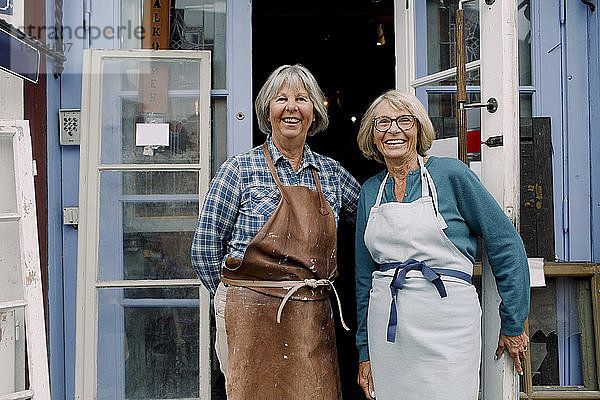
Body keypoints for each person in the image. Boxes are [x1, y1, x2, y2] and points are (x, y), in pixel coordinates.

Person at [191, 64, 360, 399]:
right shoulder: (238, 170)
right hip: (249, 315)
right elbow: (205, 250)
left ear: (315, 112)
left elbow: (373, 219)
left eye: (302, 98)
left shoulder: (332, 173)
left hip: (311, 314)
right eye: (281, 98)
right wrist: (236, 295)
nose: (292, 107)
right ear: (268, 111)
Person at [354, 90, 530, 400]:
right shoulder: (371, 190)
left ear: (419, 129)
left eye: (403, 121)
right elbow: (363, 277)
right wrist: (364, 350)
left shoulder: (451, 175)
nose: (393, 130)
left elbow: (506, 243)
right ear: (372, 134)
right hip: (389, 332)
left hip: (448, 327)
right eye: (382, 122)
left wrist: (513, 322)